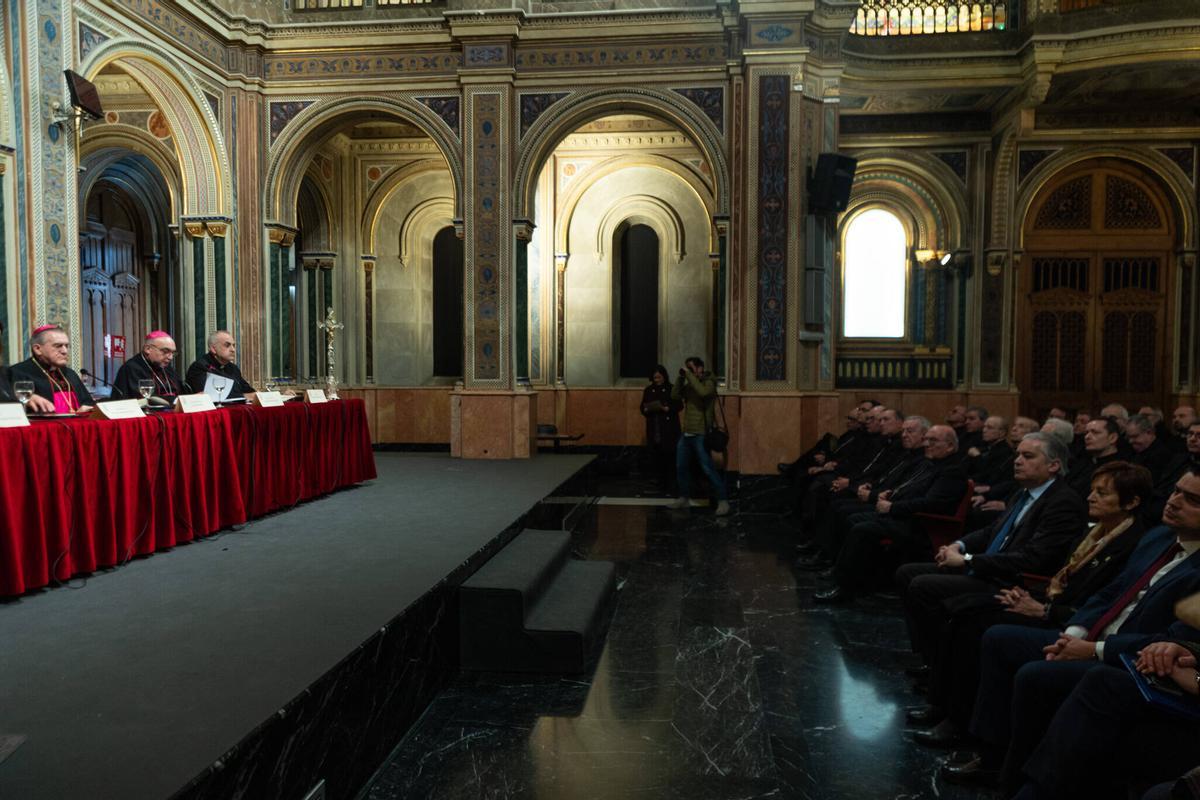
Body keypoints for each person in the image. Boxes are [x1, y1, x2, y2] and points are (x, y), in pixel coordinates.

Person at [959, 470, 1200, 791]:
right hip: (1090, 636)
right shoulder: (1158, 537)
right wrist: (1073, 635)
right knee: (999, 638)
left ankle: (1014, 780)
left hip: (1128, 659)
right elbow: (1110, 592)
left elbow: (1172, 639)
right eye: (1176, 491)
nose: (1174, 501)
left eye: (1192, 499)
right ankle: (989, 753)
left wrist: (1094, 650)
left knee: (1036, 675)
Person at [909, 461, 1152, 749]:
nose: (1090, 497)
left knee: (976, 624)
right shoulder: (1095, 531)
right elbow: (1062, 577)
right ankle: (943, 704)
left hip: (1070, 622)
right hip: (1045, 600)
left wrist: (1044, 609)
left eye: (1102, 493)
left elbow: (1102, 600)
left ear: (1131, 502)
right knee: (963, 609)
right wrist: (1026, 594)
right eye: (1092, 490)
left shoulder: (1133, 543)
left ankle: (962, 724)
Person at [896, 432, 1087, 670]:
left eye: (1028, 456)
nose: (1017, 461)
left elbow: (1033, 558)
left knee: (923, 585)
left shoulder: (1063, 502)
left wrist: (967, 560)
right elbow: (992, 531)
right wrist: (959, 545)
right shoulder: (1024, 492)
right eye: (1017, 455)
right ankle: (933, 656)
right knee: (907, 573)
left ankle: (940, 663)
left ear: (1054, 465)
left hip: (1014, 583)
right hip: (991, 569)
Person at [813, 425, 967, 603]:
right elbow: (913, 490)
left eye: (933, 440)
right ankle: (854, 578)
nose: (927, 444)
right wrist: (892, 495)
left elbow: (931, 503)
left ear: (950, 446)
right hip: (910, 517)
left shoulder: (952, 470)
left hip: (924, 527)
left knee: (862, 529)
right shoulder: (934, 464)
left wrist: (892, 507)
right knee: (853, 519)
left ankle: (845, 588)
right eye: (927, 439)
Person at [667, 356, 729, 516]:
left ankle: (723, 500)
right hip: (686, 433)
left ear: (700, 368)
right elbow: (674, 395)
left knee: (708, 468)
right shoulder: (690, 384)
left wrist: (689, 375)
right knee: (681, 467)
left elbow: (702, 392)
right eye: (687, 368)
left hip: (701, 433)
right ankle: (683, 497)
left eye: (691, 367)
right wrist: (681, 378)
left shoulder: (709, 383)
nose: (689, 371)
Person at [9, 325, 95, 413]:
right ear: (37, 349)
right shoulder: (17, 372)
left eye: (66, 346)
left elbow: (88, 403)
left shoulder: (70, 373)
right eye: (58, 346)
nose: (65, 351)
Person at [111, 331, 187, 403]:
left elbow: (182, 392)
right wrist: (174, 401)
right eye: (165, 351)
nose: (170, 357)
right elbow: (144, 399)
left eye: (172, 353)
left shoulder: (167, 369)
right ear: (147, 349)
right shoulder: (131, 368)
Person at [640, 365, 681, 492]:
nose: (657, 380)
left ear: (664, 376)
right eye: (655, 378)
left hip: (668, 426)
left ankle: (672, 482)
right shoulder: (649, 390)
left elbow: (679, 405)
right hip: (654, 425)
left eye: (659, 377)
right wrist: (645, 409)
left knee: (669, 455)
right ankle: (660, 481)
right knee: (656, 455)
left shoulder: (671, 388)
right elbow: (642, 406)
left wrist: (668, 408)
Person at [185, 330, 255, 399]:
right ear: (213, 349)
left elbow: (249, 390)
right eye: (227, 345)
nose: (233, 350)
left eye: (233, 345)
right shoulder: (199, 367)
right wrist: (243, 396)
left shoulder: (233, 368)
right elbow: (211, 394)